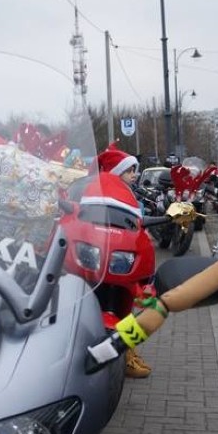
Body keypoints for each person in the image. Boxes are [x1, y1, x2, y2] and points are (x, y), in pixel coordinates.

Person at [96, 144, 152, 378]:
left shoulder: (130, 195)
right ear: (116, 173)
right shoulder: (96, 193)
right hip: (99, 258)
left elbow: (138, 222)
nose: (134, 175)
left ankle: (128, 352)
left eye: (134, 171)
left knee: (128, 308)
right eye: (129, 171)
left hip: (122, 260)